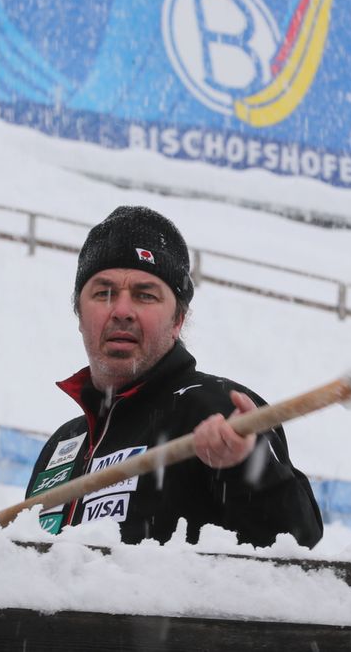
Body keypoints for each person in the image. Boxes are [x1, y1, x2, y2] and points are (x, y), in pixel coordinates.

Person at [24, 206, 323, 548]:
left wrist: (246, 466)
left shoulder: (218, 409)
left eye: (145, 295)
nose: (121, 311)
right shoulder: (63, 444)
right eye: (103, 293)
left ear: (178, 320)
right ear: (80, 314)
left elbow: (299, 544)